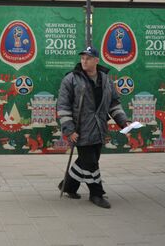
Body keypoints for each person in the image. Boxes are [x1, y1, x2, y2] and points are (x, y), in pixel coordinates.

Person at [56, 46, 129, 209]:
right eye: (82, 58)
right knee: (91, 163)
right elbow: (63, 106)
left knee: (87, 161)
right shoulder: (71, 79)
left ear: (96, 60)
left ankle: (68, 186)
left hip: (99, 129)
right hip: (81, 130)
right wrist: (70, 130)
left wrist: (123, 121)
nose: (84, 61)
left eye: (88, 58)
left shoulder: (106, 79)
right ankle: (96, 193)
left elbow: (114, 103)